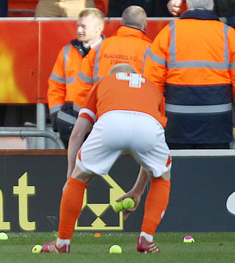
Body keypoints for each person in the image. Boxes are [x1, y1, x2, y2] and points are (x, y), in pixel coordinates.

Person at [41, 63, 171, 254]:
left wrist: (71, 176)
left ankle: (62, 243)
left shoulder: (104, 83)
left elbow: (77, 133)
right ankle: (146, 239)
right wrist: (138, 191)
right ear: (135, 76)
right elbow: (149, 154)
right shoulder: (153, 89)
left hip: (112, 122)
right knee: (162, 175)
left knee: (79, 179)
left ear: (113, 75)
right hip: (148, 126)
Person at [145, 0, 235, 148]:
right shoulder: (227, 33)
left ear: (187, 5)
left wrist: (152, 113)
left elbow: (152, 78)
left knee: (180, 171)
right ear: (211, 5)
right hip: (216, 122)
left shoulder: (169, 32)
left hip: (177, 122)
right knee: (214, 171)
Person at [72, 6, 153, 109]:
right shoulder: (150, 51)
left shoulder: (101, 47)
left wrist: (80, 112)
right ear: (145, 24)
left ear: (121, 22)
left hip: (103, 109)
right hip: (136, 110)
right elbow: (155, 87)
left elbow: (83, 85)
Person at [47, 7, 106, 144]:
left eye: (84, 26)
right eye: (78, 26)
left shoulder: (109, 52)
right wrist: (56, 116)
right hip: (69, 119)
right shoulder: (67, 51)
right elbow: (56, 86)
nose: (79, 30)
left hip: (99, 119)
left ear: (99, 28)